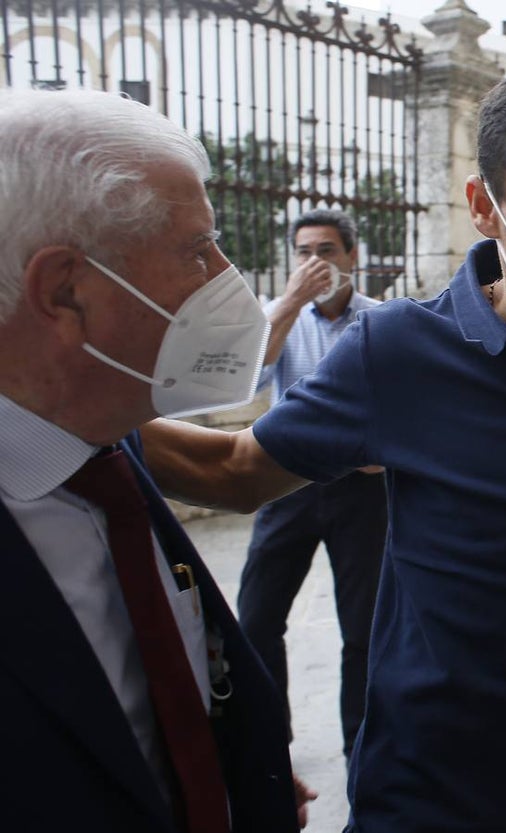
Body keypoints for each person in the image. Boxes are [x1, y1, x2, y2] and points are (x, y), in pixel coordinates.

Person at [141, 60, 506, 832]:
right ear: (484, 207)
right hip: (432, 791)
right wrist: (59, 403)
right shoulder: (397, 351)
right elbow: (233, 470)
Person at [0, 88, 315, 831]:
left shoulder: (108, 438)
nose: (225, 278)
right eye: (197, 247)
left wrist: (231, 770)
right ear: (67, 290)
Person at [238, 207, 387, 761]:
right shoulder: (276, 316)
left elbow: (404, 402)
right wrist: (292, 301)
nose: (315, 262)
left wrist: (384, 454)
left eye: (327, 250)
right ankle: (268, 743)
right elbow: (249, 380)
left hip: (360, 490)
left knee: (365, 628)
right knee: (255, 619)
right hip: (285, 485)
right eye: (303, 252)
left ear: (352, 256)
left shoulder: (380, 320)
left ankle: (363, 747)